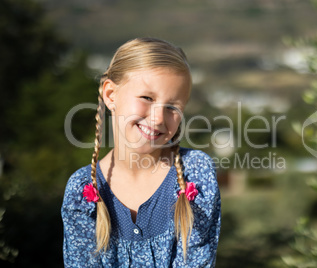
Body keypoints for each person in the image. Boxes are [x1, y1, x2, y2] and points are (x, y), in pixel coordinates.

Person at [61, 37, 221, 267]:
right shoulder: (81, 189)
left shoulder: (195, 173)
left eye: (172, 108)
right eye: (147, 98)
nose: (157, 118)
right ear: (110, 95)